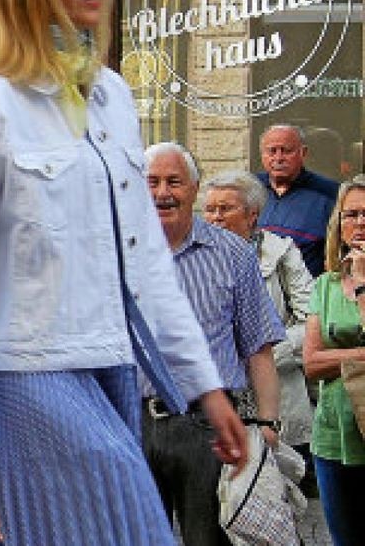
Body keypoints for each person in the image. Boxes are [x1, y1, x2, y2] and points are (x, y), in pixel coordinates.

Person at [0, 0, 246, 546]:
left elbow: (146, 261)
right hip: (22, 379)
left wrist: (204, 386)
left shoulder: (110, 96)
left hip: (112, 368)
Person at [145, 142, 285, 546]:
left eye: (174, 181)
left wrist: (268, 425)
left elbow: (258, 346)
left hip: (207, 426)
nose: (162, 193)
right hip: (133, 422)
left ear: (194, 189)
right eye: (151, 182)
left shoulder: (232, 254)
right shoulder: (117, 253)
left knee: (207, 538)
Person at [201, 170, 315, 468]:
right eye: (210, 209)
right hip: (215, 403)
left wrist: (262, 353)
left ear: (252, 215)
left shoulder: (281, 252)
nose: (215, 217)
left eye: (225, 209)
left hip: (277, 398)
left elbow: (312, 322)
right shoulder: (193, 258)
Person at [302, 175, 365, 545]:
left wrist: (360, 286)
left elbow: (325, 358)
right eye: (351, 214)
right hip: (332, 435)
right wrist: (360, 354)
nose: (360, 224)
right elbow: (311, 364)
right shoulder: (324, 285)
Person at [257, 124, 339, 276]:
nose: (278, 158)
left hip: (309, 293)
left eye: (286, 151)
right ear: (262, 154)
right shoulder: (250, 190)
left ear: (303, 153)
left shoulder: (330, 194)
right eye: (272, 151)